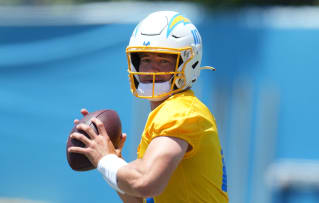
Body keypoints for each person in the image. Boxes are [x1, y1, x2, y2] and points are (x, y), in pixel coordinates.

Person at [68, 11, 228, 203]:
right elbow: (141, 197)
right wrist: (114, 162)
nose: (152, 69)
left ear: (188, 63)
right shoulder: (168, 112)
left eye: (163, 60)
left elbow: (146, 181)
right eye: (145, 60)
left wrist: (106, 160)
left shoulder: (180, 111)